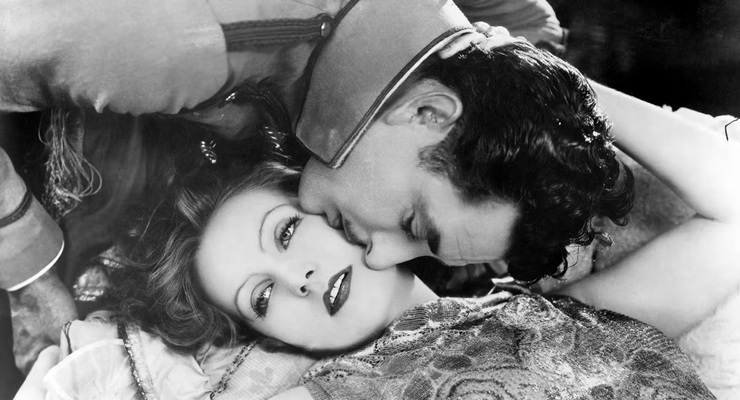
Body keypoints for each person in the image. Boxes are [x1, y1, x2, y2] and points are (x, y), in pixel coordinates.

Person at [18, 40, 740, 399]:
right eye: (262, 298)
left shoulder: (545, 319)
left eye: (287, 234)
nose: (297, 280)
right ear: (275, 338)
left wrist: (545, 86)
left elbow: (732, 209)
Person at [0, 0, 566, 372]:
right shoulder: (180, 44)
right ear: (427, 113)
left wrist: (547, 164)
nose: (382, 253)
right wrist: (29, 276)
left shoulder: (454, 47)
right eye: (413, 223)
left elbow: (526, 31)